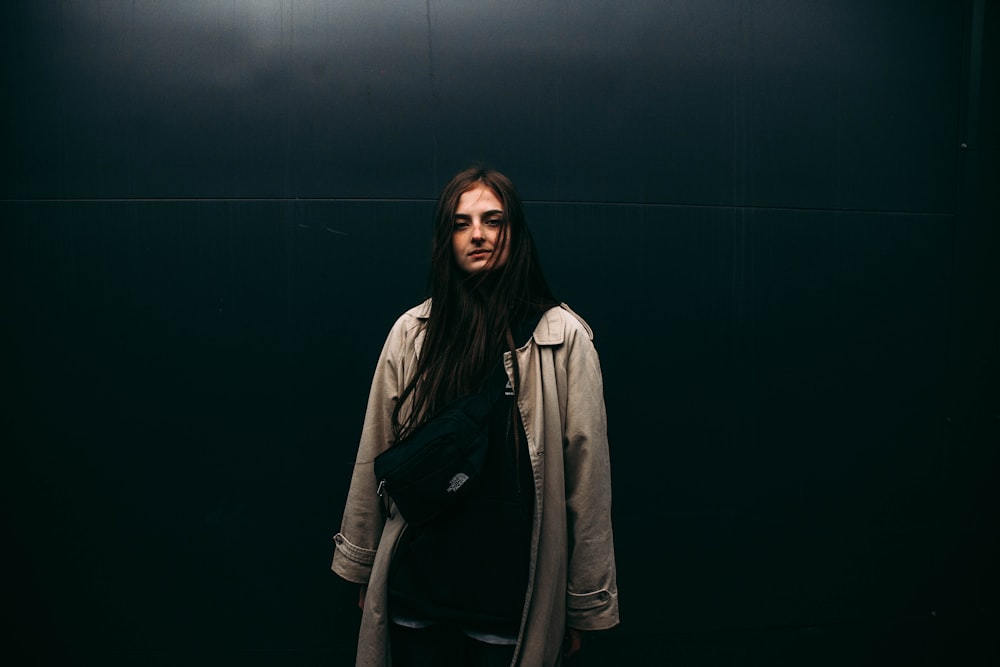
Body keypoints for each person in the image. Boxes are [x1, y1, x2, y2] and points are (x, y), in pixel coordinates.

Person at [331, 166, 619, 666]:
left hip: (509, 600)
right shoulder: (413, 332)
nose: (478, 235)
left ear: (516, 231)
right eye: (461, 224)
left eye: (493, 220)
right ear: (447, 238)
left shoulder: (562, 338)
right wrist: (363, 567)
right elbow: (372, 452)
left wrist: (584, 603)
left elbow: (588, 482)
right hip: (417, 590)